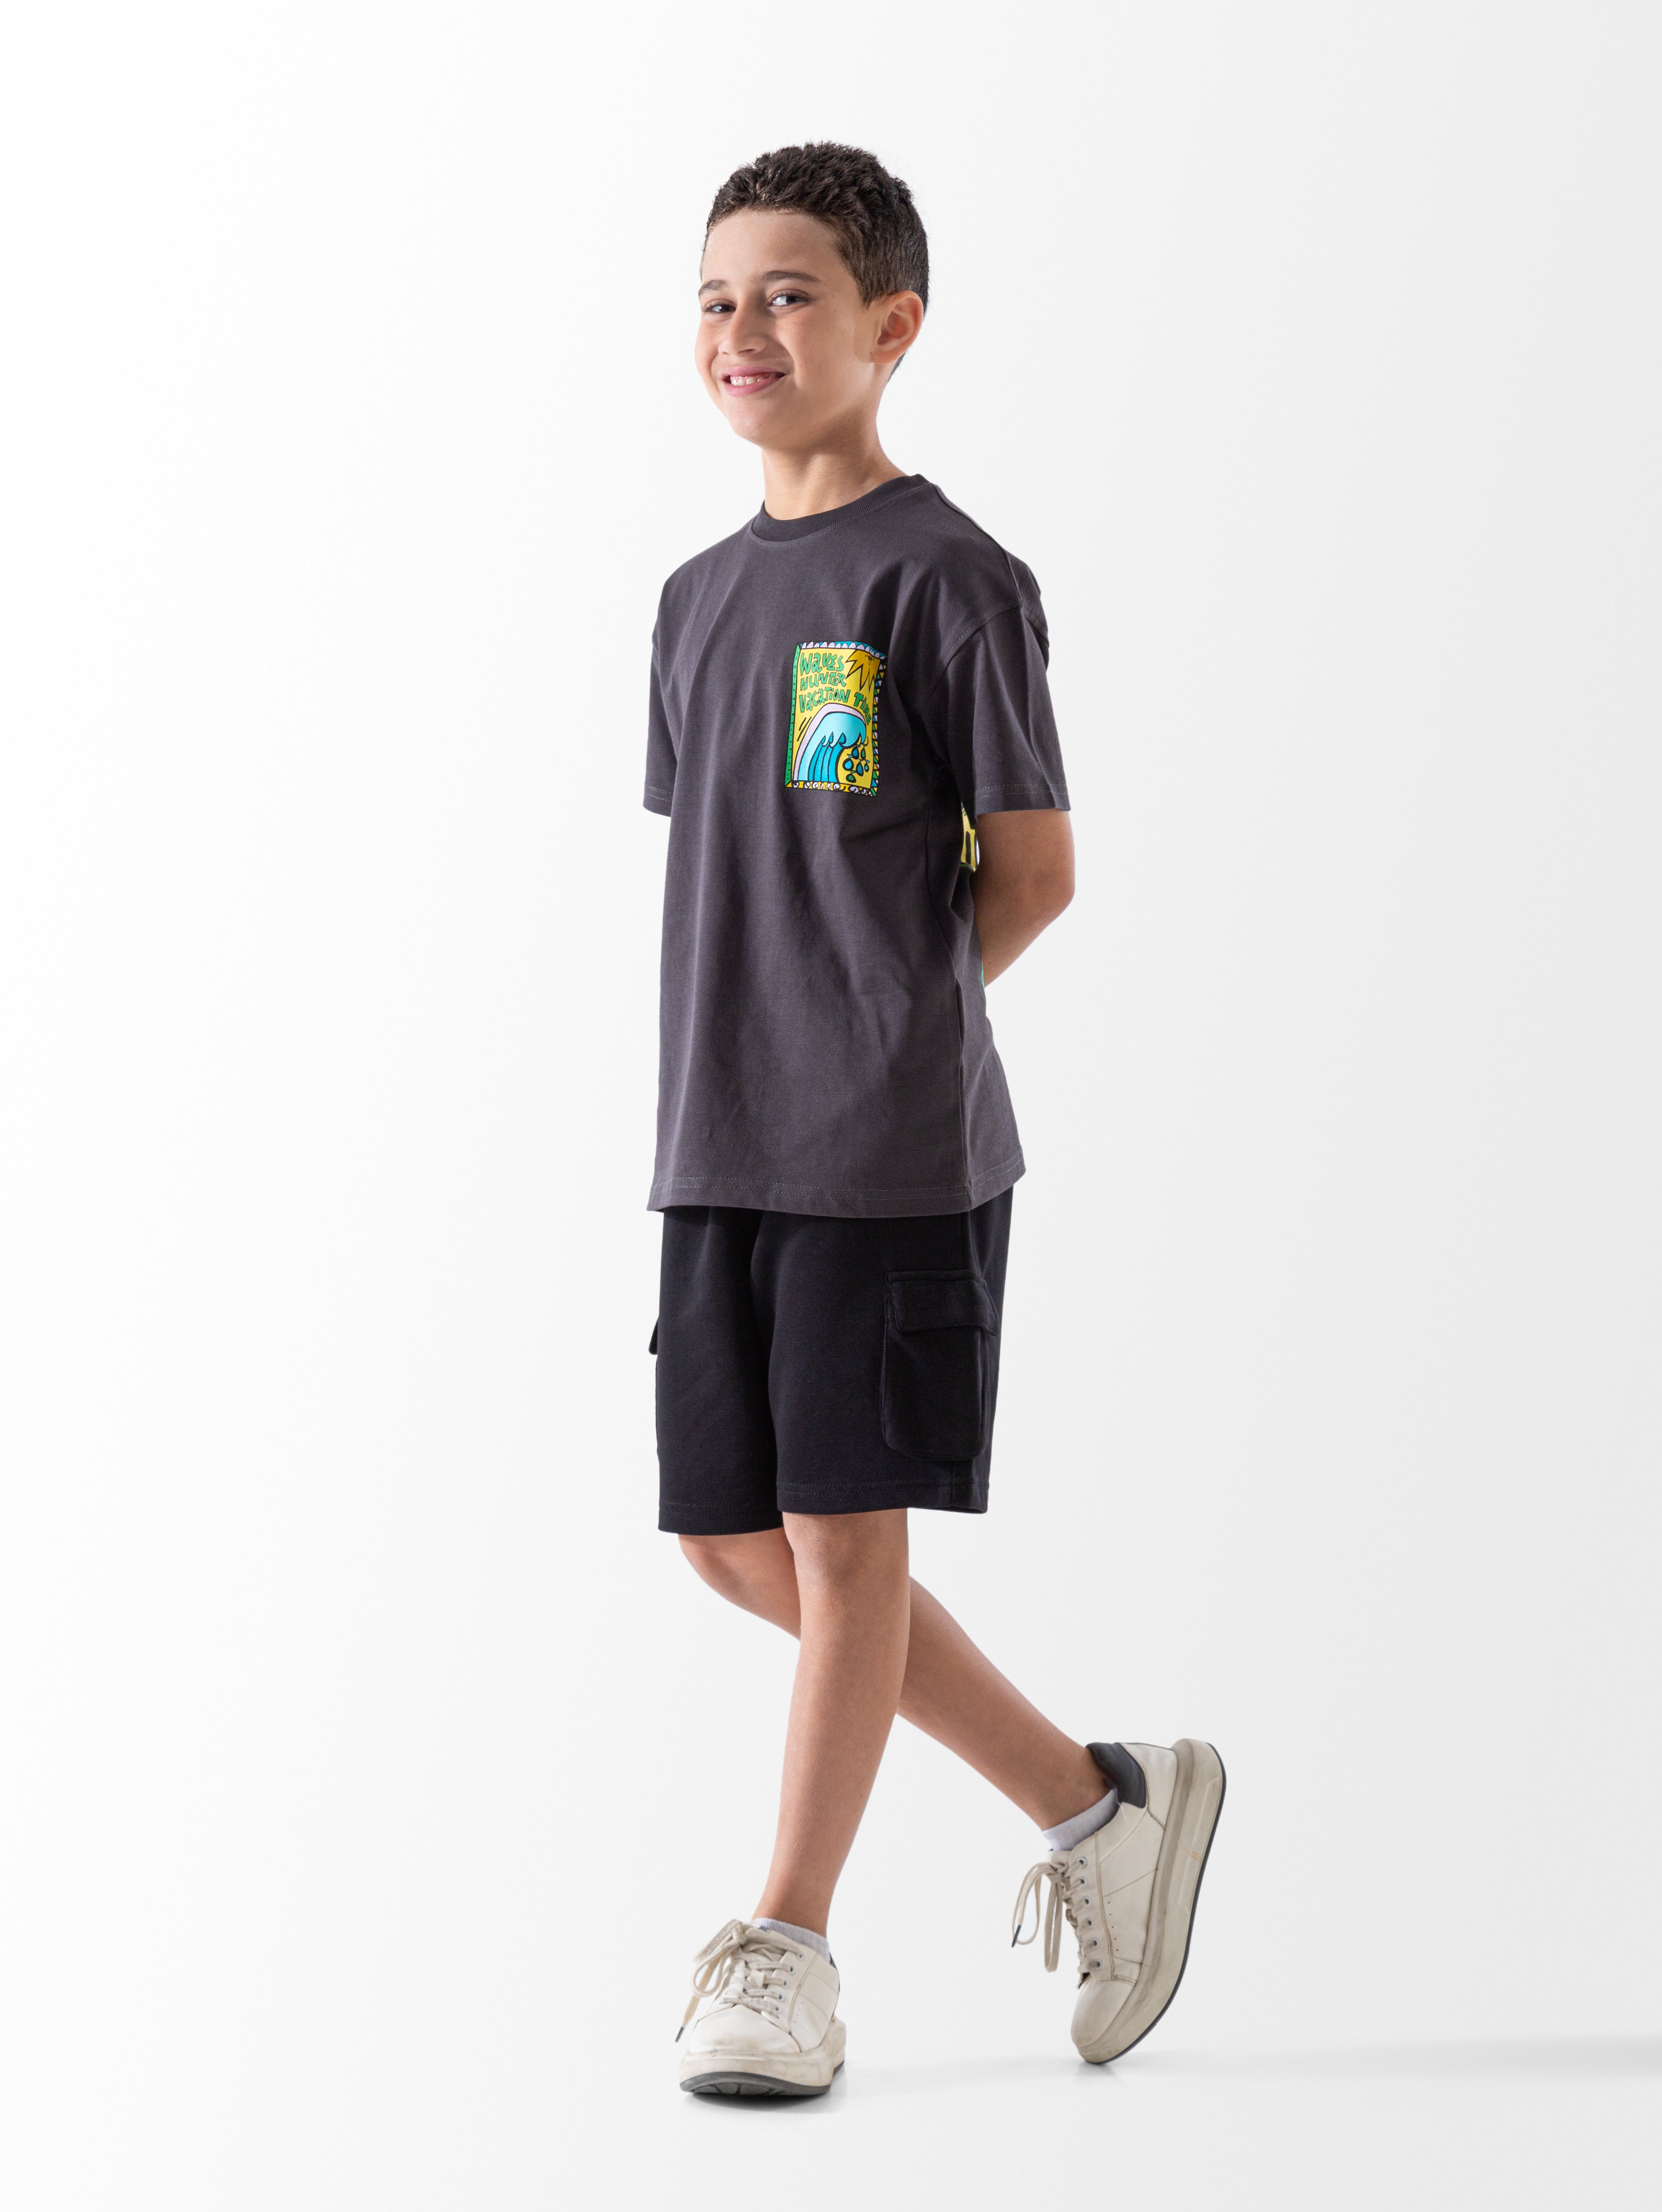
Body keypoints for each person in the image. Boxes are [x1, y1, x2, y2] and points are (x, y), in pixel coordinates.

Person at [644, 142, 1224, 2099]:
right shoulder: (695, 601)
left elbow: (1033, 869)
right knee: (734, 1546)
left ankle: (785, 1946)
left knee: (842, 1535)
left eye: (788, 294)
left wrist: (882, 1030)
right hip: (714, 1138)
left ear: (889, 325)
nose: (744, 329)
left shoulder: (946, 576)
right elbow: (745, 868)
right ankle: (1098, 1803)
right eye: (716, 297)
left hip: (881, 1148)